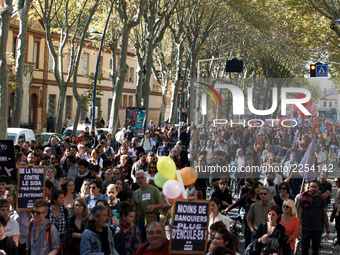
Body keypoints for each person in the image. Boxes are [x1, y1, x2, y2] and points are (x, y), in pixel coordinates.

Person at [298, 180, 330, 255]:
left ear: (318, 188)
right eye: (312, 186)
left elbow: (325, 215)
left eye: (315, 187)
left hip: (317, 228)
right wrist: (298, 228)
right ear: (309, 188)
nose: (313, 188)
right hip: (306, 228)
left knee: (315, 250)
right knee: (304, 249)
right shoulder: (304, 198)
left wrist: (327, 231)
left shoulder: (321, 200)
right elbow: (300, 214)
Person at [132, 171, 164, 243]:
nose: (140, 180)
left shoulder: (154, 189)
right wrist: (133, 225)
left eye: (141, 178)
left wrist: (154, 207)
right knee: (141, 241)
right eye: (137, 178)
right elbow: (135, 211)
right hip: (140, 220)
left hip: (152, 219)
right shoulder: (135, 193)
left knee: (152, 240)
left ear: (146, 178)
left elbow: (162, 205)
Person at [333, 177, 340, 246]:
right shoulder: (338, 189)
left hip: (339, 210)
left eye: (336, 181)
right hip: (336, 208)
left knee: (338, 226)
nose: (335, 183)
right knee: (337, 225)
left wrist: (338, 211)